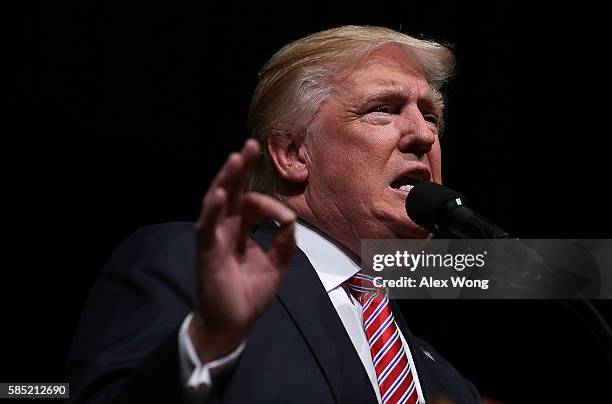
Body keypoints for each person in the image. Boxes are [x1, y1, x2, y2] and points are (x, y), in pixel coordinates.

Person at [66, 25, 481, 403]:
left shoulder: (448, 384)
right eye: (382, 109)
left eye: (430, 116)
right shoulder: (184, 265)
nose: (424, 134)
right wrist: (204, 343)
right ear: (292, 154)